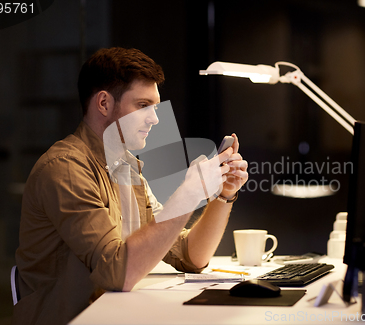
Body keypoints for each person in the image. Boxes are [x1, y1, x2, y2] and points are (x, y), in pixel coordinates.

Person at [12, 47, 248, 325]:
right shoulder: (65, 169)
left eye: (155, 107)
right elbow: (118, 272)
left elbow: (189, 256)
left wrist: (223, 195)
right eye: (143, 105)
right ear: (104, 104)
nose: (155, 118)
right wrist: (190, 192)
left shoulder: (127, 169)